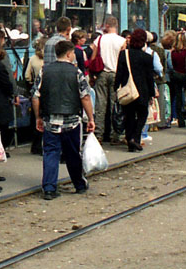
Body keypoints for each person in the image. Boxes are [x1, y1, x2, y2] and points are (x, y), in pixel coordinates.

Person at [32, 40, 95, 200]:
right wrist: (91, 118)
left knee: (50, 153)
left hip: (50, 120)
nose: (74, 55)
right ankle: (79, 184)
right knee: (73, 153)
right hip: (72, 120)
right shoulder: (76, 72)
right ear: (68, 54)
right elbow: (85, 97)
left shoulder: (45, 71)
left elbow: (35, 96)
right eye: (73, 53)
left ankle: (49, 188)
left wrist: (38, 117)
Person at [115, 29, 156, 152]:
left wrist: (116, 88)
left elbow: (119, 73)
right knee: (143, 114)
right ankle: (136, 137)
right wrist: (152, 93)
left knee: (129, 115)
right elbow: (149, 77)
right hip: (143, 91)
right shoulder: (147, 57)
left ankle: (130, 141)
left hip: (128, 90)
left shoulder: (124, 54)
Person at [94, 16, 127, 144]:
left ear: (106, 25)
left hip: (102, 74)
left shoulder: (99, 39)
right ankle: (115, 135)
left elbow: (93, 58)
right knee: (115, 106)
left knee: (100, 105)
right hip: (116, 74)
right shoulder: (122, 41)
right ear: (116, 25)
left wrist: (92, 75)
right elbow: (124, 60)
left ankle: (99, 134)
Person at [169, 31, 186, 128]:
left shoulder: (173, 53)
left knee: (178, 97)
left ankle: (180, 119)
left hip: (176, 75)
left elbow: (173, 65)